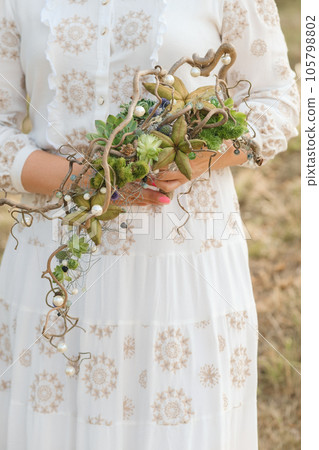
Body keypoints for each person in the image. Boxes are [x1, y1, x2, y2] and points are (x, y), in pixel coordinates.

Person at [0, 0, 299, 449]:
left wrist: (200, 157)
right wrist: (91, 179)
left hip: (183, 270)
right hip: (55, 268)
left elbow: (280, 101)